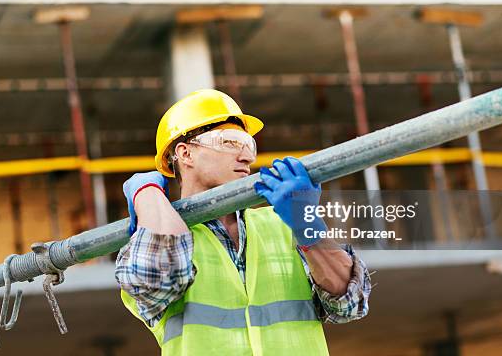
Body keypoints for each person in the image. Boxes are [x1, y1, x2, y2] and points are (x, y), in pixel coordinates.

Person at [115, 89, 371, 355]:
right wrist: (146, 194)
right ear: (185, 154)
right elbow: (152, 282)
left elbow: (349, 304)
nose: (247, 156)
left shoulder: (282, 224)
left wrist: (306, 222)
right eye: (230, 142)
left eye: (249, 145)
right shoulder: (157, 240)